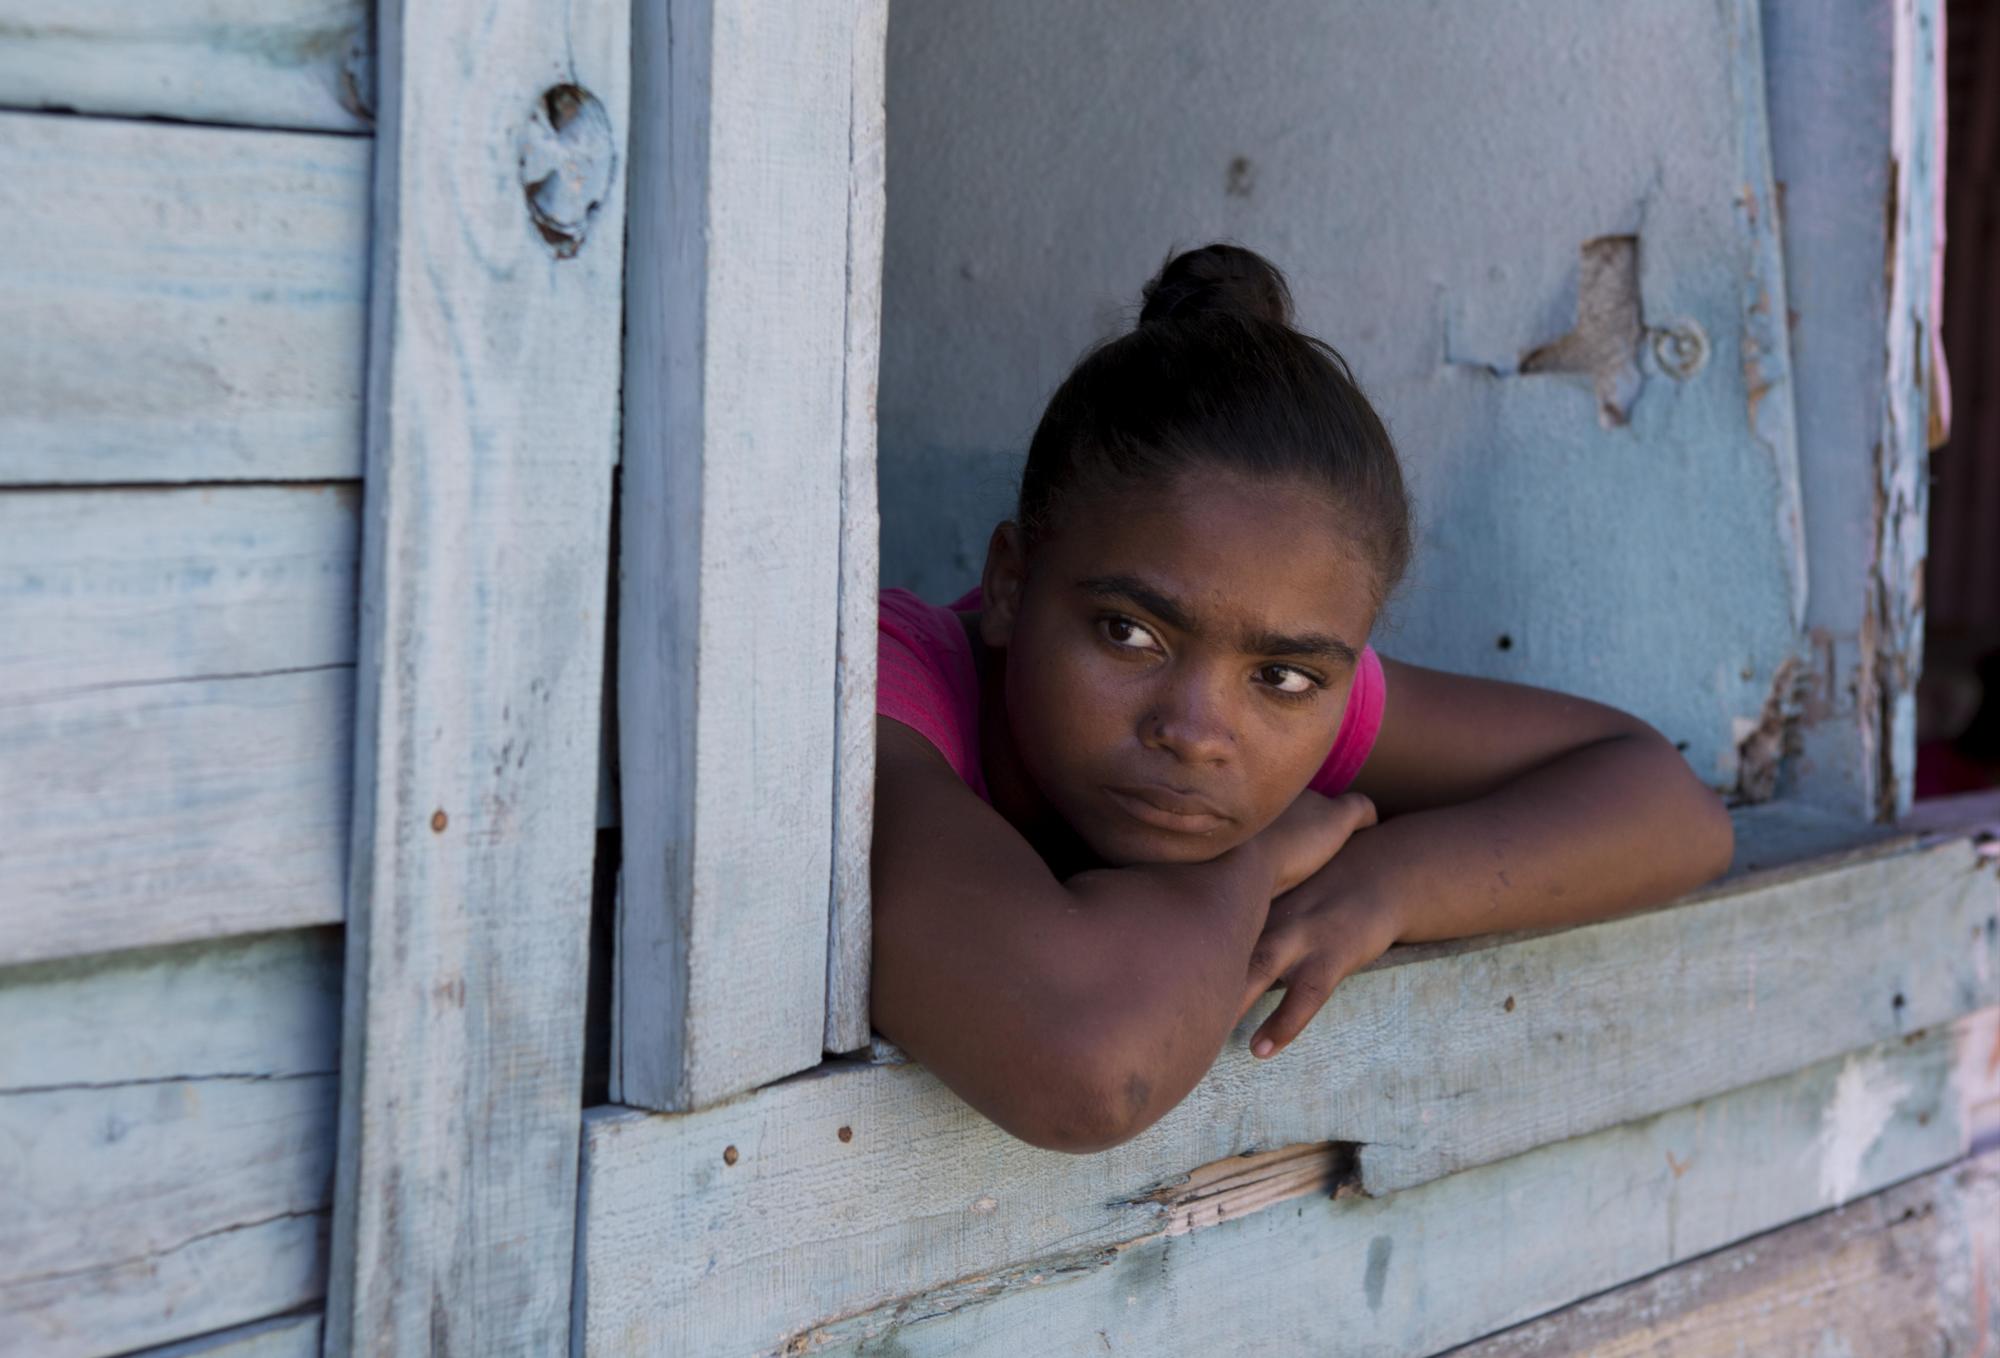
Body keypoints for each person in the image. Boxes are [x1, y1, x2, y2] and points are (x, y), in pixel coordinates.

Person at [869, 242, 1734, 1154]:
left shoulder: (1302, 707)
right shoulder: (886, 709)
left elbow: (1674, 810)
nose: (1198, 731)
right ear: (1009, 585)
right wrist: (1252, 860)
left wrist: (1386, 887)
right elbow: (1088, 1071)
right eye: (1130, 632)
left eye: (1283, 675)